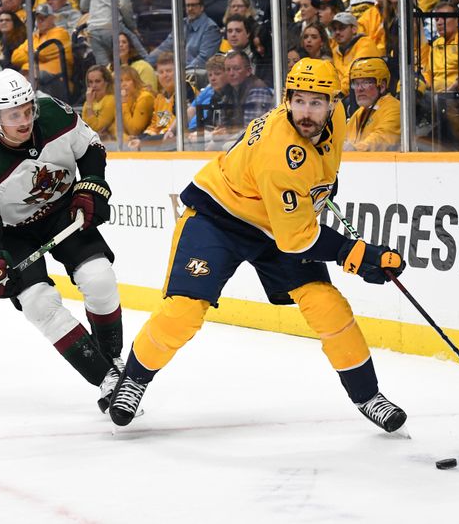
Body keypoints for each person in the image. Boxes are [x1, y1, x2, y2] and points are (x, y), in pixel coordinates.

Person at [108, 58, 407, 434]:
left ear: (334, 102)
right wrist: (358, 254)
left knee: (328, 306)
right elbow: (298, 240)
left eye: (316, 103)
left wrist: (319, 188)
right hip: (218, 218)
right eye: (299, 101)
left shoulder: (340, 115)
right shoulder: (280, 153)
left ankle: (368, 396)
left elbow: (313, 183)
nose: (306, 112)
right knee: (182, 312)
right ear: (287, 99)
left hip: (275, 224)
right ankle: (133, 380)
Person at [0, 68, 125, 414]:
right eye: (13, 115)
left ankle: (115, 363)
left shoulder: (53, 113)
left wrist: (91, 183)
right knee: (37, 302)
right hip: (13, 232)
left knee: (100, 279)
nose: (24, 120)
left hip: (63, 211)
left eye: (27, 110)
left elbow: (90, 146)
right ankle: (107, 379)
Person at [11, 3, 73, 101]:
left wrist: (27, 50)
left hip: (57, 80)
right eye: (38, 18)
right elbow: (15, 57)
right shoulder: (34, 36)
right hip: (31, 76)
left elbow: (43, 52)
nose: (40, 20)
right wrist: (35, 53)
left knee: (33, 75)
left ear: (52, 18)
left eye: (44, 17)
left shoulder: (61, 33)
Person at [146, 0, 221, 69]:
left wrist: (182, 74)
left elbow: (203, 59)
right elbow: (165, 47)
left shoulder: (211, 28)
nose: (190, 9)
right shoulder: (181, 24)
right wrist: (146, 63)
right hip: (179, 73)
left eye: (193, 5)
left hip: (196, 75)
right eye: (187, 5)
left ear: (201, 7)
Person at [343, 57, 400, 151]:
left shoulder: (394, 108)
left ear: (382, 86)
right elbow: (343, 139)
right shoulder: (359, 113)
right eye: (356, 83)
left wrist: (355, 149)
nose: (359, 89)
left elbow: (381, 138)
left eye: (366, 82)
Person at [80, 0, 146, 66]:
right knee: (142, 54)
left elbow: (83, 5)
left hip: (93, 30)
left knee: (105, 69)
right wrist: (132, 27)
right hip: (112, 25)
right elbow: (125, 6)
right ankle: (152, 70)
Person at [330, 12, 382, 99]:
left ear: (354, 29)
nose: (337, 32)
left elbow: (354, 72)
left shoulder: (365, 43)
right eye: (334, 29)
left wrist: (338, 94)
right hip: (343, 95)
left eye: (342, 28)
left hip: (366, 93)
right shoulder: (335, 51)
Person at [118, 65, 154, 139]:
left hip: (148, 141)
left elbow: (135, 130)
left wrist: (124, 104)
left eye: (127, 80)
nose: (123, 84)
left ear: (135, 81)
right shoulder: (124, 97)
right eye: (120, 81)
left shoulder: (145, 97)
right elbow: (117, 129)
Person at [82, 65, 116, 142]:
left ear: (107, 82)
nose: (93, 85)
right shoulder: (88, 102)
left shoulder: (111, 100)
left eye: (97, 81)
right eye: (90, 82)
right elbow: (83, 129)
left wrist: (89, 107)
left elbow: (97, 128)